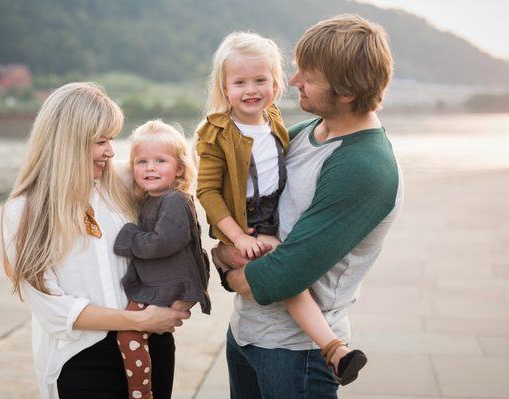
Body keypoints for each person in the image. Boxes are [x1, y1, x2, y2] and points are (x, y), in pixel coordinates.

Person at [212, 15, 404, 399]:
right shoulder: (304, 133)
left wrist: (228, 270)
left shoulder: (363, 167)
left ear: (346, 92)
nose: (295, 80)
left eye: (309, 77)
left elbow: (284, 275)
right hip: (248, 336)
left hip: (298, 357)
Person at [196, 30, 367, 388]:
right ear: (224, 88)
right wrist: (237, 237)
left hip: (272, 214)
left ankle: (334, 347)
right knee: (287, 276)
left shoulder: (274, 121)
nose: (250, 90)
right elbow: (207, 191)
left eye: (261, 80)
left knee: (286, 275)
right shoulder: (215, 132)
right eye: (239, 82)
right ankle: (333, 347)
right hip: (247, 220)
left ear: (275, 84)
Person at [1, 82, 190, 399]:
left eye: (112, 139)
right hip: (83, 356)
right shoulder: (24, 210)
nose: (111, 151)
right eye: (101, 141)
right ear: (68, 142)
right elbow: (54, 310)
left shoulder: (123, 179)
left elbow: (183, 187)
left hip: (151, 344)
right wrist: (138, 319)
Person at [113, 120, 211, 399]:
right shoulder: (150, 199)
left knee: (129, 333)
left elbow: (163, 242)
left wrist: (129, 237)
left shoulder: (174, 200)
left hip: (170, 284)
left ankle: (141, 391)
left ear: (179, 168)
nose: (150, 168)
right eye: (141, 161)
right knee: (137, 333)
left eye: (160, 160)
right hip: (159, 282)